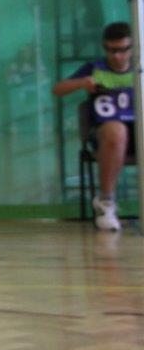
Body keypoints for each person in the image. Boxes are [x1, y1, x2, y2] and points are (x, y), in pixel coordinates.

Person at [52, 22, 135, 231]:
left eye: (122, 50)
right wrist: (82, 83)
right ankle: (106, 202)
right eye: (111, 50)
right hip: (106, 133)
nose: (117, 56)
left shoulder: (139, 69)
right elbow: (58, 89)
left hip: (137, 131)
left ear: (132, 48)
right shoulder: (95, 69)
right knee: (117, 131)